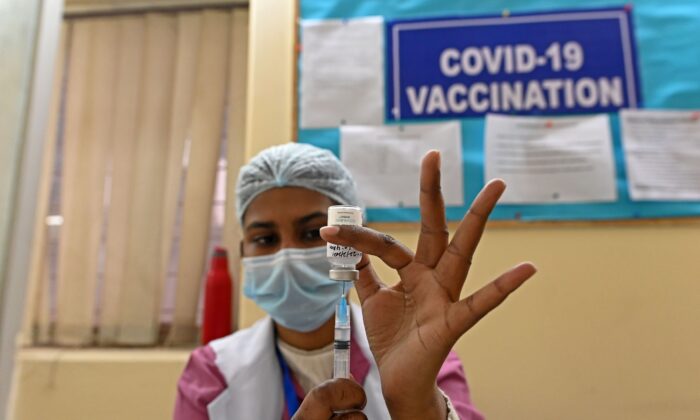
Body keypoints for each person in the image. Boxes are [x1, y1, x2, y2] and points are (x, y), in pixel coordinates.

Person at [174, 143, 536, 419]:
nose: (288, 254)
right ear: (243, 251)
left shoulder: (422, 350)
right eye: (266, 239)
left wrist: (418, 407)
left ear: (351, 238)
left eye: (314, 233)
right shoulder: (213, 373)